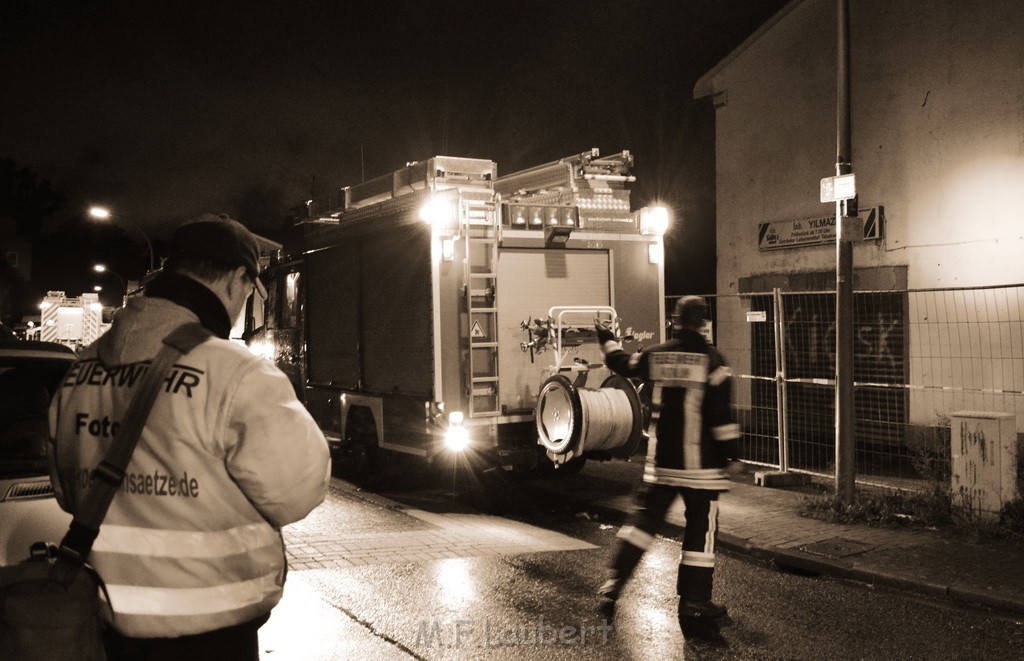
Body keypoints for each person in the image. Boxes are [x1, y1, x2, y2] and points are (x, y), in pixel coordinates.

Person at [48, 213, 331, 660]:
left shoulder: (81, 369)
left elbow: (67, 491)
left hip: (103, 630)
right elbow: (298, 492)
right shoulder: (237, 374)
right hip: (213, 638)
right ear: (239, 279)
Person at [595, 295, 741, 642]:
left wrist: (607, 339)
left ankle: (612, 585)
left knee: (642, 526)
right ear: (704, 322)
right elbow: (721, 418)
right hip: (701, 469)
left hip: (661, 466)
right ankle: (694, 602)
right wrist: (731, 457)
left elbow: (622, 363)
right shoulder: (714, 362)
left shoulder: (656, 354)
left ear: (675, 320)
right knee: (699, 536)